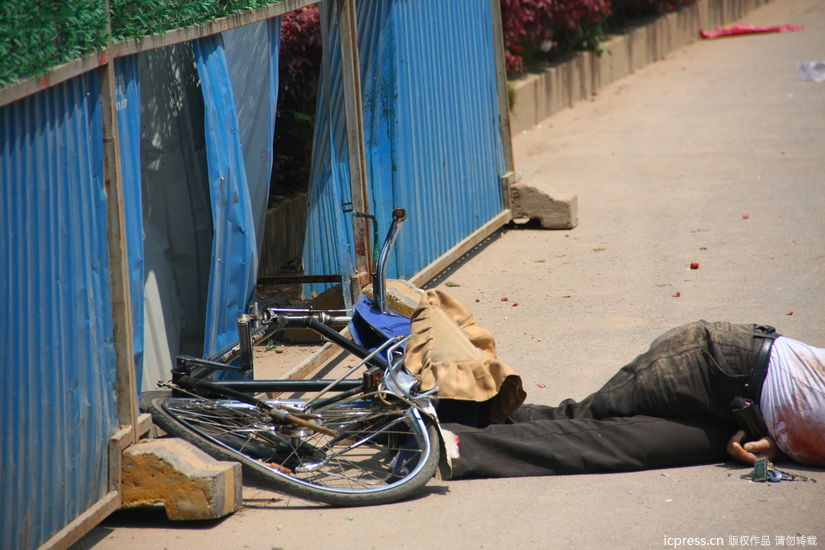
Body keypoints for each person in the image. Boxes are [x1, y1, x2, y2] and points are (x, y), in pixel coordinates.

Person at [439, 321, 825, 479]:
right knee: (583, 415)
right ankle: (441, 413)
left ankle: (453, 446)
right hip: (718, 365)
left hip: (744, 416)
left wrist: (777, 436)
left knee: (618, 445)